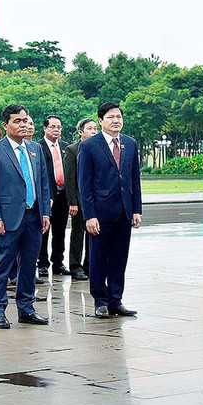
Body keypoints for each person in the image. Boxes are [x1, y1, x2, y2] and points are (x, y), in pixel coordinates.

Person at [0, 104, 52, 329]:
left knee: (29, 264)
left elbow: (42, 183)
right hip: (7, 217)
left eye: (25, 120)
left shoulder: (35, 149)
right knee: (2, 264)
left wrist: (46, 213)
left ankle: (26, 308)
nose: (23, 125)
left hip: (34, 216)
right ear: (5, 125)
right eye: (17, 121)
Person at [78, 102, 141, 319]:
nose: (116, 120)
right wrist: (90, 215)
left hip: (124, 211)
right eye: (111, 117)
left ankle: (116, 299)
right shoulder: (89, 146)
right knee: (98, 258)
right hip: (100, 213)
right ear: (101, 120)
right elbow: (84, 184)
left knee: (119, 257)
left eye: (119, 117)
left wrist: (136, 209)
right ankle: (100, 300)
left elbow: (135, 179)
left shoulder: (130, 144)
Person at [63, 118, 96, 281]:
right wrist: (73, 202)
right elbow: (69, 179)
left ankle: (90, 265)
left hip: (96, 200)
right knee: (78, 234)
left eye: (95, 128)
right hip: (80, 200)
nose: (94, 131)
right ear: (80, 132)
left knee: (94, 234)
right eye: (90, 128)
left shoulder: (99, 148)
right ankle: (75, 266)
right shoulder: (72, 150)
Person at [38, 115, 70, 277]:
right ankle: (42, 263)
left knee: (60, 230)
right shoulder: (38, 147)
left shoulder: (66, 147)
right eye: (53, 127)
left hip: (63, 195)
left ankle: (58, 262)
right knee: (44, 229)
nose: (56, 130)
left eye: (59, 127)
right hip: (47, 196)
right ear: (45, 128)